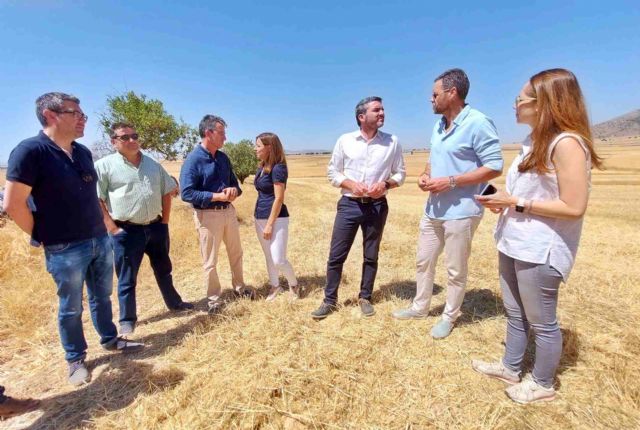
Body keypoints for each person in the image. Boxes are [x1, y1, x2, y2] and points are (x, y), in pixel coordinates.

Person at [472, 68, 603, 404]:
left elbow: (574, 207)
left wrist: (515, 202)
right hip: (514, 240)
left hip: (541, 249)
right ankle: (510, 367)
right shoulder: (533, 141)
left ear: (545, 102)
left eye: (520, 99)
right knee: (515, 313)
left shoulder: (567, 143)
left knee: (542, 322)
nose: (514, 105)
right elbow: (529, 194)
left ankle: (543, 384)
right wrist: (504, 201)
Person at [3, 93, 143, 387]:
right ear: (51, 115)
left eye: (83, 115)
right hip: (64, 247)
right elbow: (14, 205)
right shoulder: (30, 152)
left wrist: (107, 228)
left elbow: (91, 195)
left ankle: (110, 339)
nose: (83, 119)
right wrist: (42, 236)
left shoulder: (81, 153)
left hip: (97, 239)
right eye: (76, 113)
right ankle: (76, 359)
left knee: (101, 296)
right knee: (71, 306)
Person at [391, 68, 503, 339]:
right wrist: (426, 175)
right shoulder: (439, 125)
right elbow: (434, 156)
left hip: (462, 211)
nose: (430, 99)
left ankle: (449, 316)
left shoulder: (478, 122)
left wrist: (450, 182)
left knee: (455, 269)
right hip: (433, 209)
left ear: (452, 93)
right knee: (423, 261)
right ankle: (420, 307)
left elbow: (494, 166)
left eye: (434, 94)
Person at [311, 96, 406, 320]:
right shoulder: (345, 141)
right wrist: (352, 184)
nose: (382, 113)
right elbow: (333, 172)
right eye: (377, 110)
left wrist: (385, 184)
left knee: (371, 255)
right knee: (336, 255)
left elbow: (400, 174)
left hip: (377, 206)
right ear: (361, 117)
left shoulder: (392, 142)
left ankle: (365, 297)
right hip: (349, 205)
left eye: (383, 109)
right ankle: (330, 300)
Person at [95, 123, 194, 335]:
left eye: (134, 135)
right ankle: (127, 320)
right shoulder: (104, 166)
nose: (131, 140)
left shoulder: (152, 164)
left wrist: (164, 223)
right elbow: (97, 199)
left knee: (164, 269)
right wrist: (112, 228)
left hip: (156, 227)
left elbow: (168, 191)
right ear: (114, 142)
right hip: (126, 232)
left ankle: (174, 304)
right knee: (127, 278)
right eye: (124, 137)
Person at [180, 115, 254, 314]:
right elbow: (186, 193)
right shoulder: (193, 160)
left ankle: (240, 288)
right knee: (210, 261)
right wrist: (217, 196)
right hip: (208, 215)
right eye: (221, 133)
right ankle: (214, 300)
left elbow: (236, 187)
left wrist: (232, 193)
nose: (225, 138)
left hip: (228, 212)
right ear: (208, 133)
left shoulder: (223, 158)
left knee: (236, 253)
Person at [253, 132, 299, 301]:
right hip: (259, 217)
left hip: (276, 219)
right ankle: (275, 286)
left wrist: (270, 224)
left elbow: (279, 198)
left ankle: (293, 284)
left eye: (258, 145)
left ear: (269, 147)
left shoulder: (279, 168)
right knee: (268, 256)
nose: (255, 149)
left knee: (278, 259)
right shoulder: (262, 167)